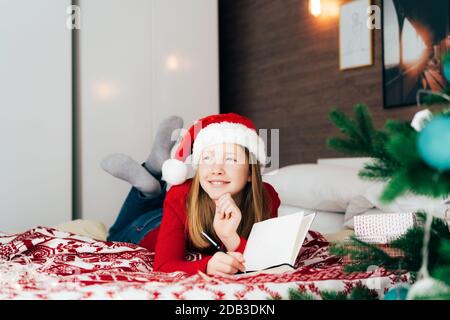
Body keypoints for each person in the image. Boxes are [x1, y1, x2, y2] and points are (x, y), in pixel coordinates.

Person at [101, 113, 280, 277]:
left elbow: (266, 263)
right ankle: (150, 181)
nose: (216, 169)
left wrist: (231, 238)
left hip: (173, 215)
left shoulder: (266, 197)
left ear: (251, 172)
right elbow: (163, 266)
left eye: (231, 159)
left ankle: (150, 184)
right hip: (144, 230)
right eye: (207, 158)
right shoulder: (181, 194)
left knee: (155, 203)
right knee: (114, 236)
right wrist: (207, 266)